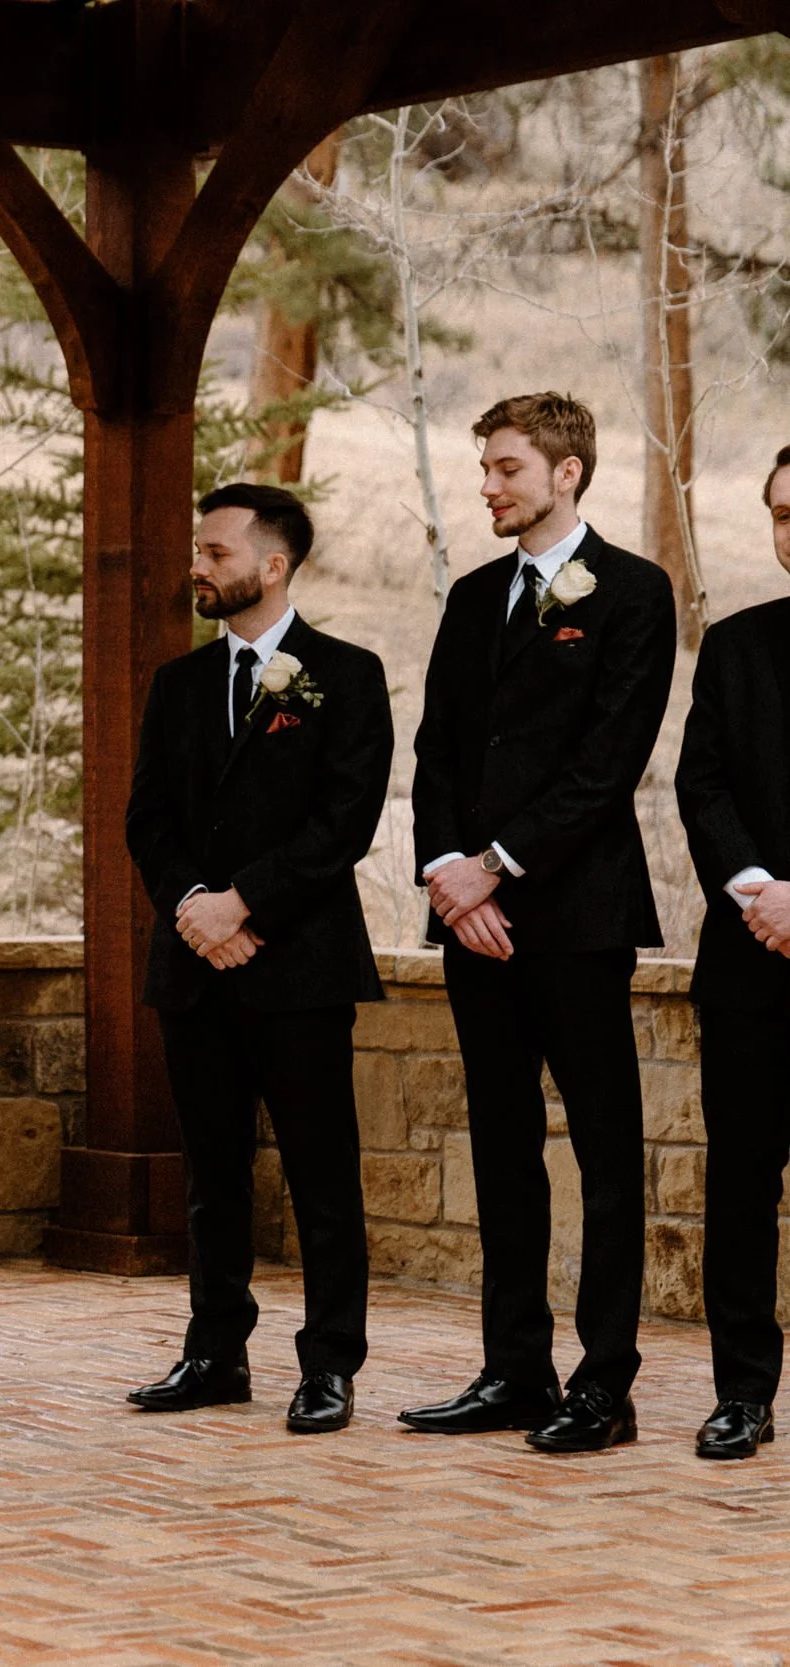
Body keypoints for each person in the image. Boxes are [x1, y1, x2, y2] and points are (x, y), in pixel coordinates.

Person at [399, 392, 674, 1453]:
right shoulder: (474, 598)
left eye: (506, 467)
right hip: (472, 923)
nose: (488, 486)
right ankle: (514, 1369)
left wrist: (493, 870)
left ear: (566, 472)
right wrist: (445, 875)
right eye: (484, 468)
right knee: (502, 1147)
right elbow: (435, 750)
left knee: (605, 1154)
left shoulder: (633, 592)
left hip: (575, 915)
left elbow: (608, 761)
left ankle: (605, 1384)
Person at [122, 483, 389, 1434]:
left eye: (217, 552)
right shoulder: (177, 684)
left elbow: (344, 823)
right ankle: (214, 1351)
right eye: (198, 550)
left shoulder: (347, 675)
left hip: (301, 965)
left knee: (323, 1174)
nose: (197, 566)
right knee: (212, 1173)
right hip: (195, 963)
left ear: (272, 566)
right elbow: (147, 819)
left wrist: (245, 902)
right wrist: (196, 909)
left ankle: (330, 1364)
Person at [673, 446, 790, 1462]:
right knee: (742, 1187)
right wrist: (761, 891)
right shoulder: (735, 646)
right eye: (783, 514)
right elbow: (699, 784)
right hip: (750, 963)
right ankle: (741, 1392)